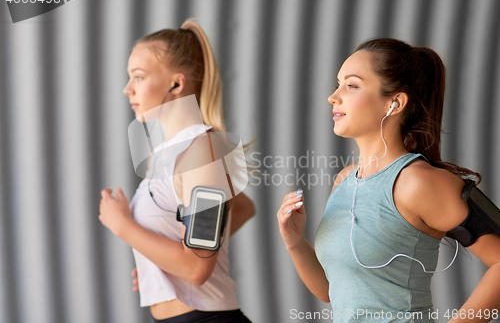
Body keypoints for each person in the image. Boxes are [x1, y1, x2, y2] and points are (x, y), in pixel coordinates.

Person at [277, 38, 500, 322]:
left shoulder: (417, 182)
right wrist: (295, 242)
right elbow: (332, 292)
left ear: (394, 103)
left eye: (352, 85)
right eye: (338, 83)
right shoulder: (345, 180)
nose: (333, 97)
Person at [99, 20, 254, 323]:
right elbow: (243, 207)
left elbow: (197, 267)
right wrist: (163, 261)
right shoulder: (173, 153)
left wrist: (121, 224)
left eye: (139, 77)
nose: (127, 88)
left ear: (176, 83)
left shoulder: (201, 152)